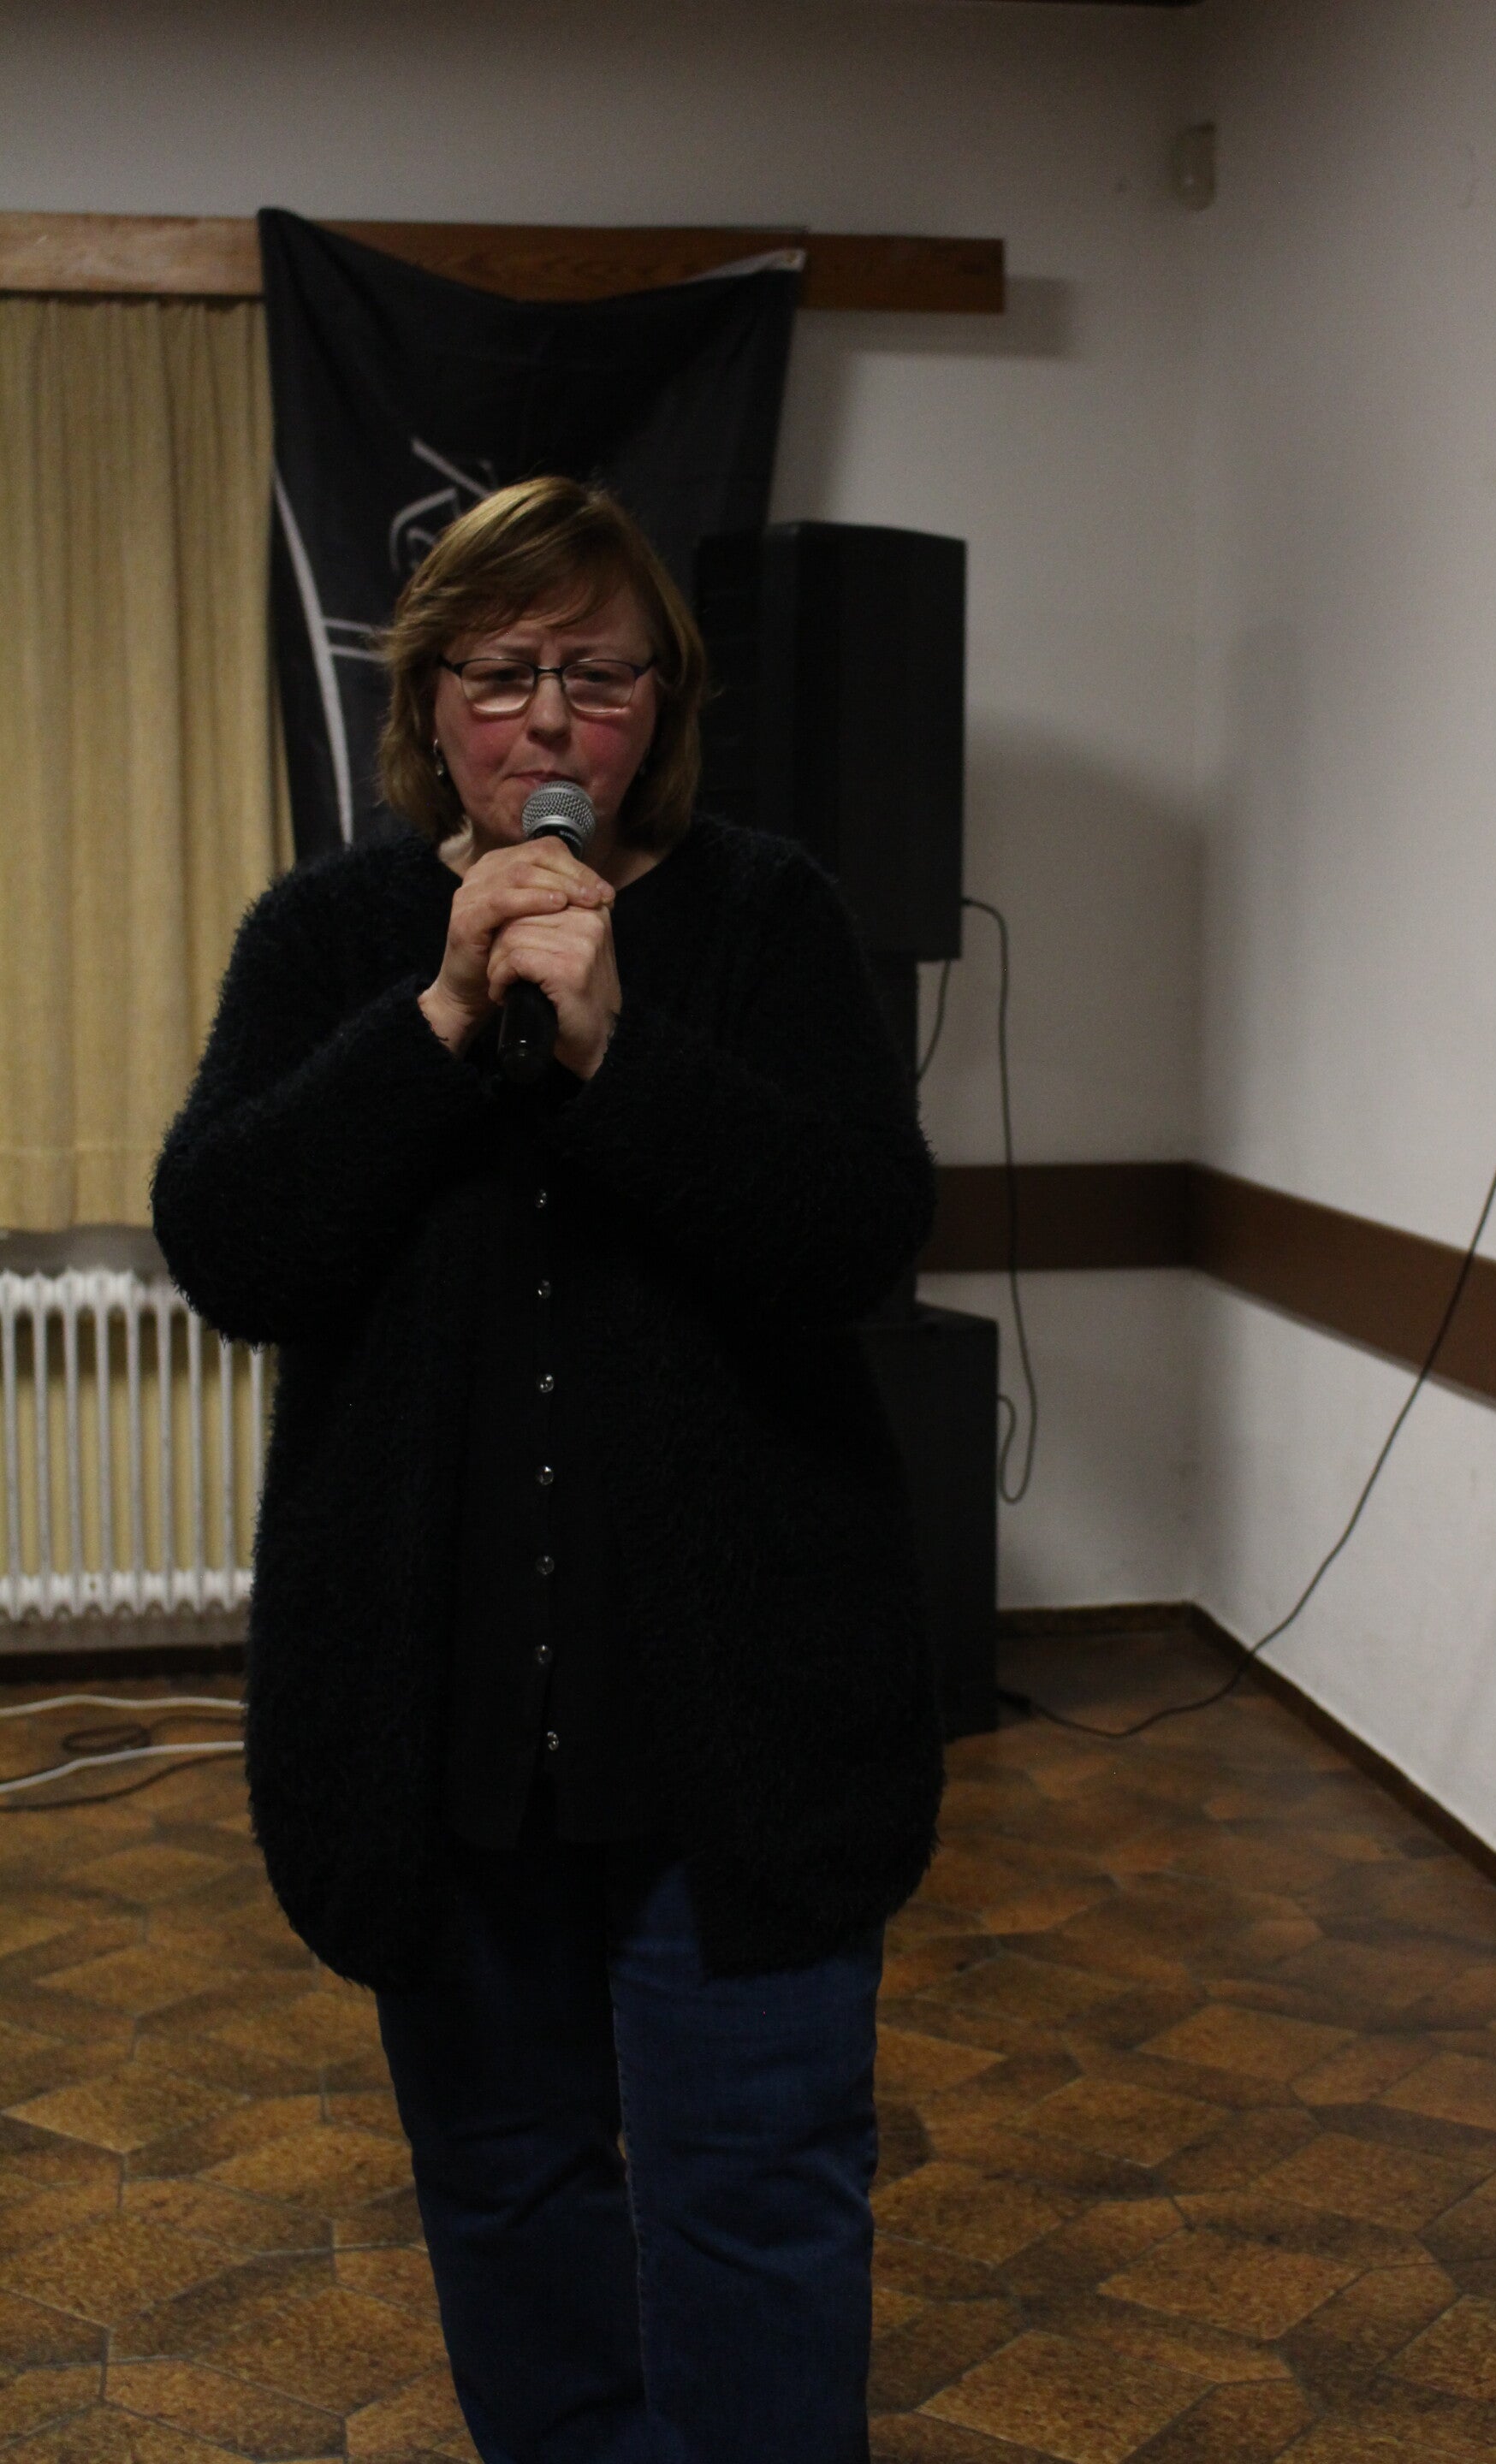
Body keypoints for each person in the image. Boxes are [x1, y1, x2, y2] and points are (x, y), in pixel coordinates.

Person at [151, 474, 944, 2464]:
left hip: (740, 1729)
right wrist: (439, 1017)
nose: (552, 721)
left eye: (600, 673)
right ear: (430, 706)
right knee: (509, 2198)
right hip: (441, 1736)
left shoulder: (767, 920)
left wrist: (612, 1056)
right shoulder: (332, 936)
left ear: (663, 703)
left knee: (759, 2209)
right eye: (503, 674)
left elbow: (855, 1238)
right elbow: (234, 1247)